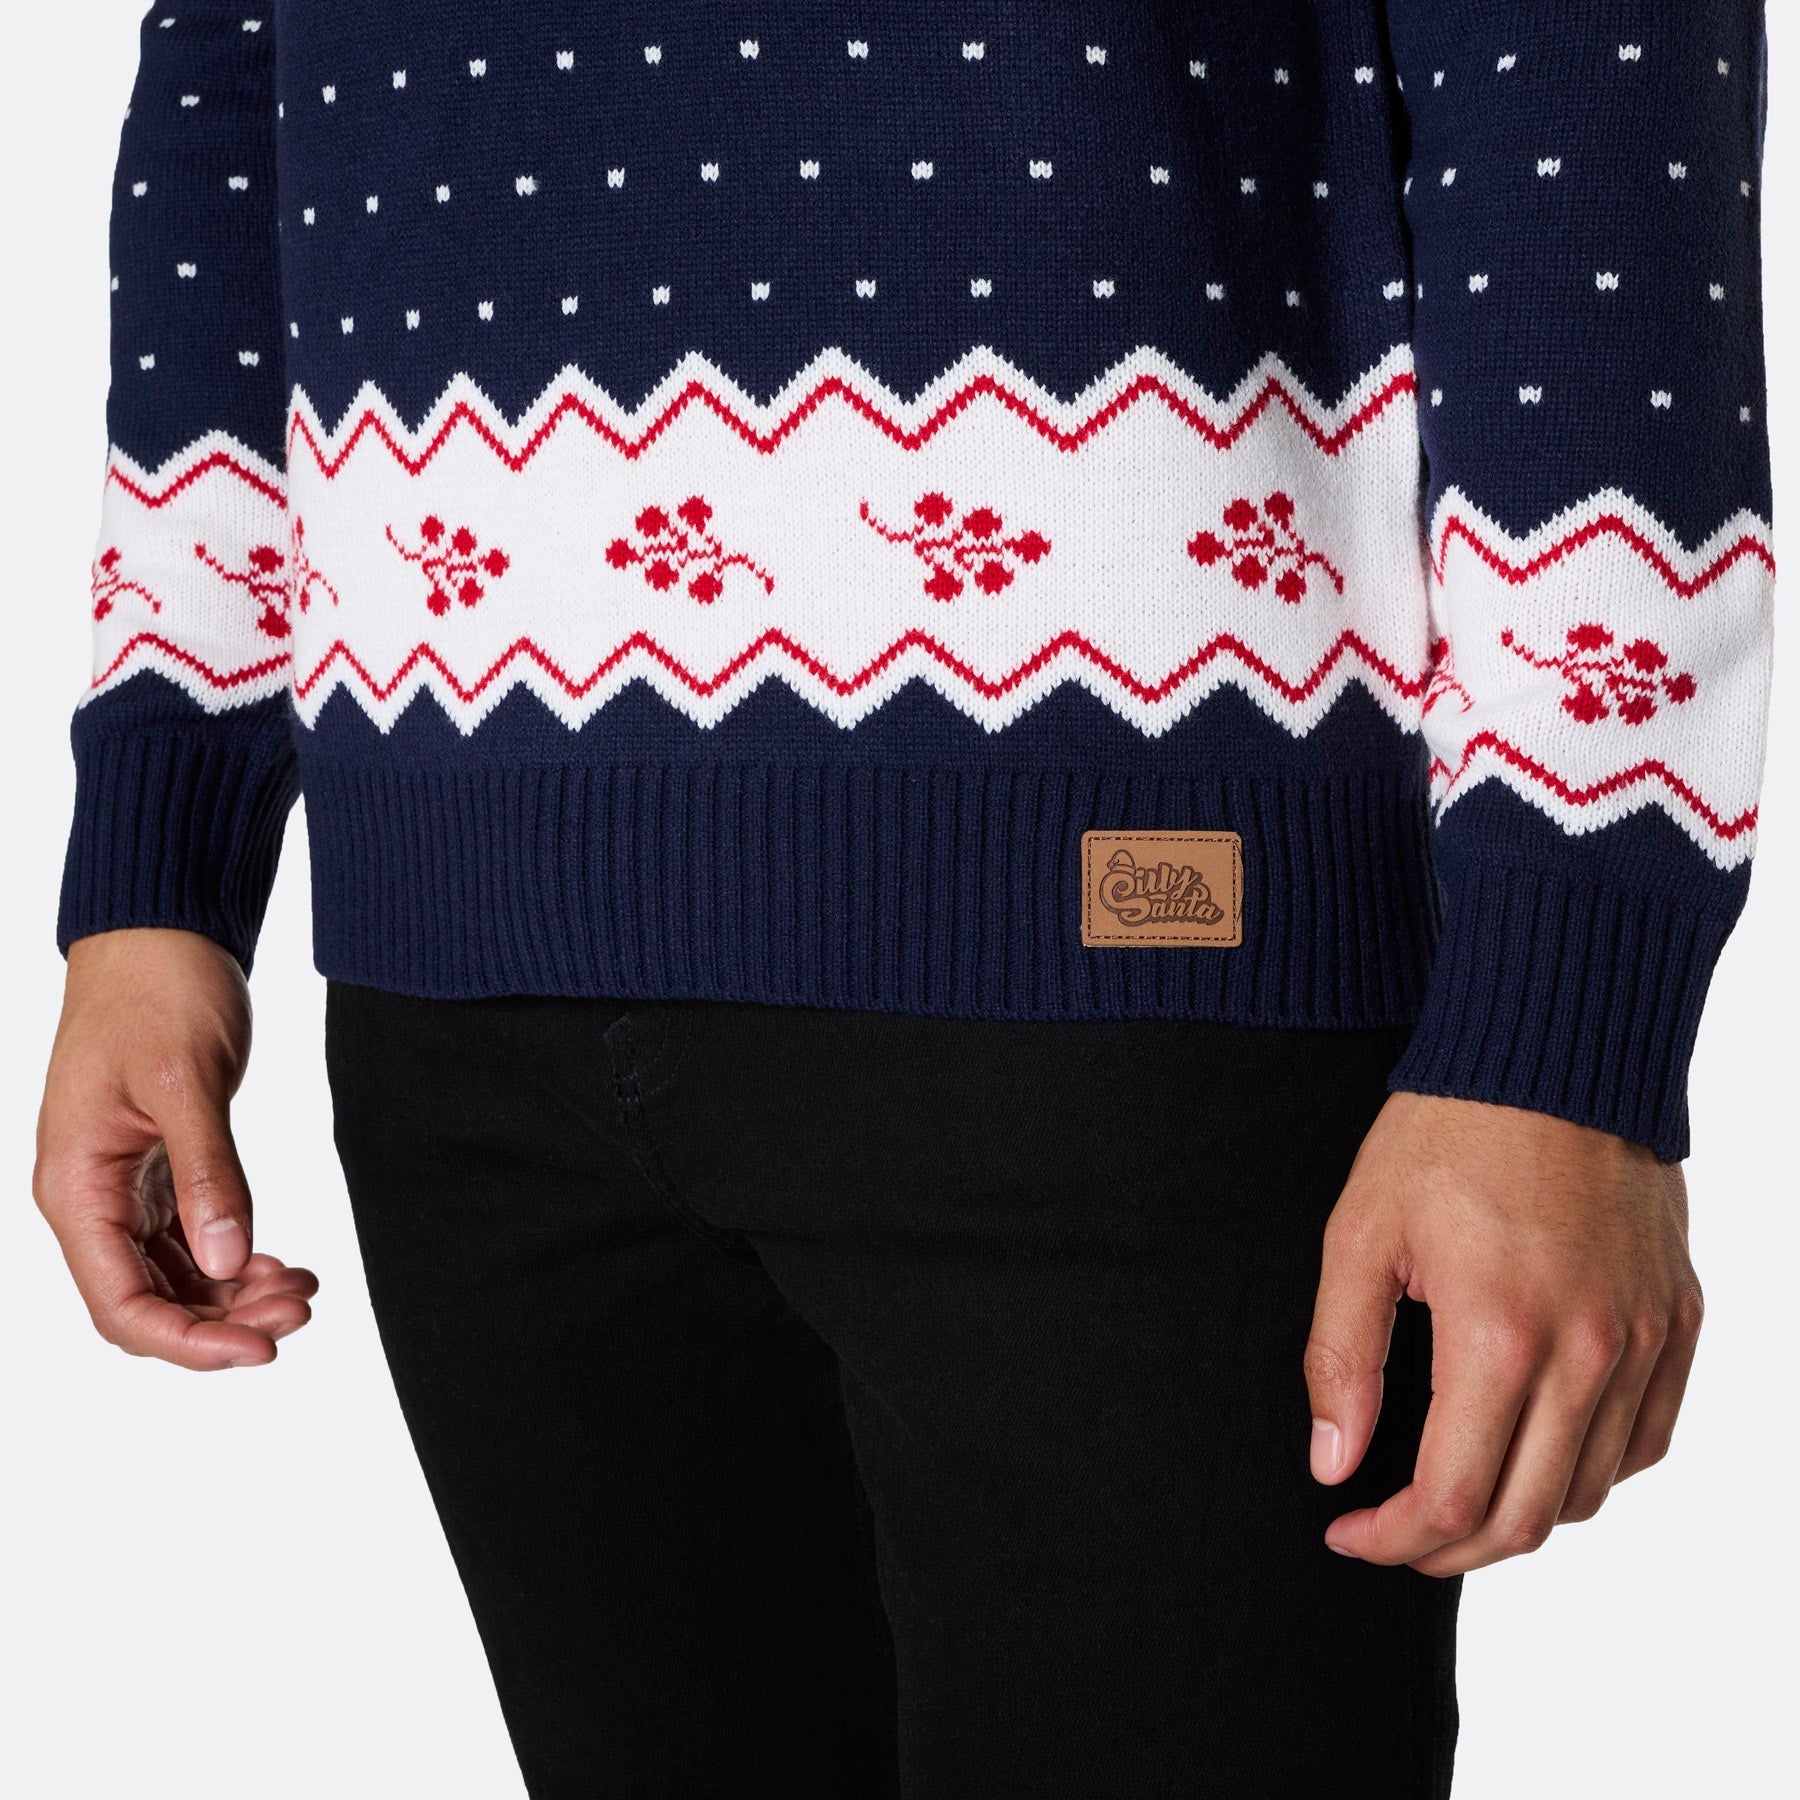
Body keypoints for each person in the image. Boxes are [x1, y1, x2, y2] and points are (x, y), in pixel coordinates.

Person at [33, 6, 1773, 1796]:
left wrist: (1571, 996)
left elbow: (1590, 82)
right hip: (459, 960)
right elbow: (231, 76)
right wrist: (158, 870)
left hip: (1136, 958)